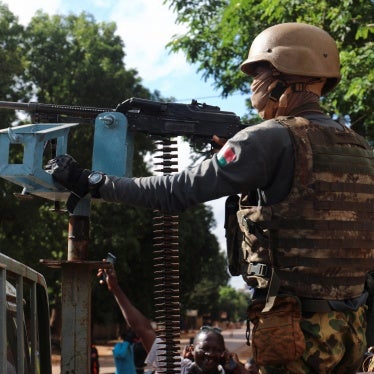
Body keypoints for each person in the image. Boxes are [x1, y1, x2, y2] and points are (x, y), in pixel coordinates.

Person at [47, 22, 374, 373]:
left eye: (257, 73)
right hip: (351, 331)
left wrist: (91, 181)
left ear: (283, 77)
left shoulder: (267, 139)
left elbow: (173, 192)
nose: (253, 85)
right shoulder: (361, 148)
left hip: (295, 334)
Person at [97, 263, 248, 373]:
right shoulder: (176, 367)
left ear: (223, 353)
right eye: (205, 348)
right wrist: (115, 289)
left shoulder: (228, 372)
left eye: (217, 350)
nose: (210, 354)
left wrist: (235, 367)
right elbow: (143, 329)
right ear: (192, 350)